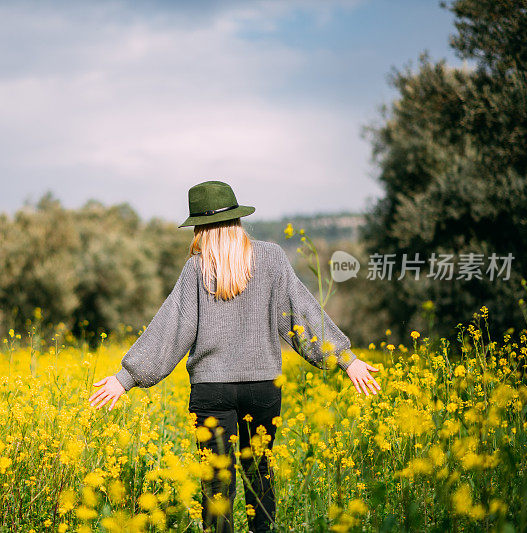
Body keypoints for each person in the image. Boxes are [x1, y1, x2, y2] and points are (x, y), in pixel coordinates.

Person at [88, 180, 381, 533]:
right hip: (263, 389)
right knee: (260, 476)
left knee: (215, 485)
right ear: (237, 220)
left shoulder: (196, 270)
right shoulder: (271, 258)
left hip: (212, 391)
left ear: (199, 228)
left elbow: (171, 329)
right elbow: (301, 314)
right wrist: (346, 359)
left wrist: (126, 378)